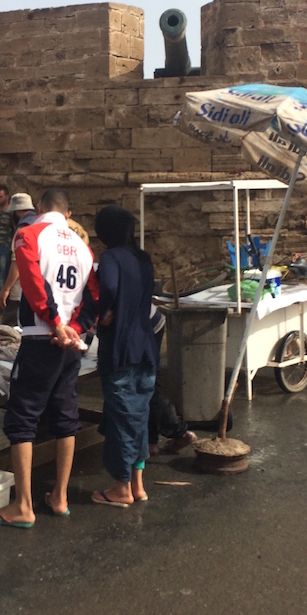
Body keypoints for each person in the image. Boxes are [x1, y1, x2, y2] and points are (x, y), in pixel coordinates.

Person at [0, 187, 98, 527]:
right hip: (71, 344)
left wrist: (54, 322)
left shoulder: (29, 234)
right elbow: (93, 296)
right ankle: (60, 497)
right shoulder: (83, 246)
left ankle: (23, 506)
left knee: (22, 419)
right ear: (68, 213)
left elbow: (34, 284)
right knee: (66, 415)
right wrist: (74, 327)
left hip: (40, 338)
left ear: (39, 207)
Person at [91, 205, 158, 508]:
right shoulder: (144, 259)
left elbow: (108, 287)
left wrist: (102, 314)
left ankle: (121, 488)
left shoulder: (110, 258)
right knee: (138, 417)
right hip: (146, 348)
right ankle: (137, 484)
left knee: (120, 419)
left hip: (120, 349)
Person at [147, 305, 197, 455]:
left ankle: (177, 433)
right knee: (149, 384)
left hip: (146, 324)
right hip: (138, 321)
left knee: (148, 383)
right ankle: (152, 440)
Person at [0, 192, 37, 325]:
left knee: (7, 331)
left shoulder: (22, 230)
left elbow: (17, 263)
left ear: (17, 211)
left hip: (18, 291)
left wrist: (6, 289)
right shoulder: (38, 225)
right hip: (35, 289)